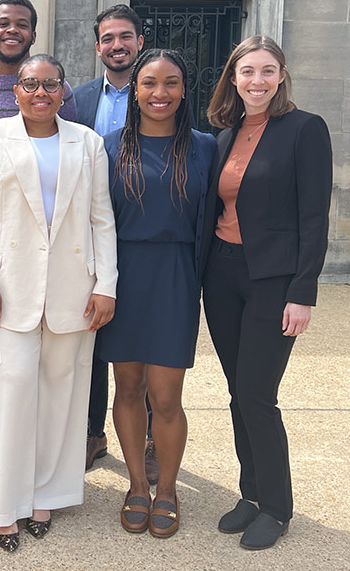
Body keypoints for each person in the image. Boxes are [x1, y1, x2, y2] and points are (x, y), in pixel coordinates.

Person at [0, 54, 117, 551]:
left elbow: (101, 220)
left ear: (63, 91)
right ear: (16, 91)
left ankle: (45, 491)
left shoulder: (87, 143)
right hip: (9, 290)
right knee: (13, 387)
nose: (40, 93)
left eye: (50, 84)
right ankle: (5, 505)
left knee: (59, 390)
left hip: (74, 287)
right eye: (31, 84)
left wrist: (105, 284)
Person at [201, 36, 332, 550]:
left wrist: (304, 291)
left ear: (281, 76)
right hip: (223, 275)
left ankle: (277, 506)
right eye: (247, 71)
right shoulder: (224, 134)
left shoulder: (304, 129)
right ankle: (251, 494)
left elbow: (314, 215)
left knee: (258, 393)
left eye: (267, 70)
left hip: (273, 283)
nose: (257, 80)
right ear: (233, 78)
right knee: (238, 391)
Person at [0, 0, 77, 483]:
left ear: (32, 31)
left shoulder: (52, 87)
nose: (12, 31)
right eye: (3, 23)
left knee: (38, 355)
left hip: (42, 249)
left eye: (21, 24)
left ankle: (35, 445)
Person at [95, 48, 216, 538]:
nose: (159, 93)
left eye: (170, 83)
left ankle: (167, 488)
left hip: (175, 277)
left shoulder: (207, 146)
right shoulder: (107, 146)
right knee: (127, 387)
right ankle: (137, 487)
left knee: (165, 396)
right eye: (149, 83)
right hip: (121, 277)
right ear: (135, 89)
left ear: (184, 88)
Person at [73, 4, 149, 475]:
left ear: (139, 41)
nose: (116, 45)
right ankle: (91, 433)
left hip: (142, 235)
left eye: (125, 36)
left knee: (141, 336)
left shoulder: (162, 93)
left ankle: (149, 435)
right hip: (86, 235)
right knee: (91, 336)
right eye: (107, 38)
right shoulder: (76, 99)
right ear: (97, 46)